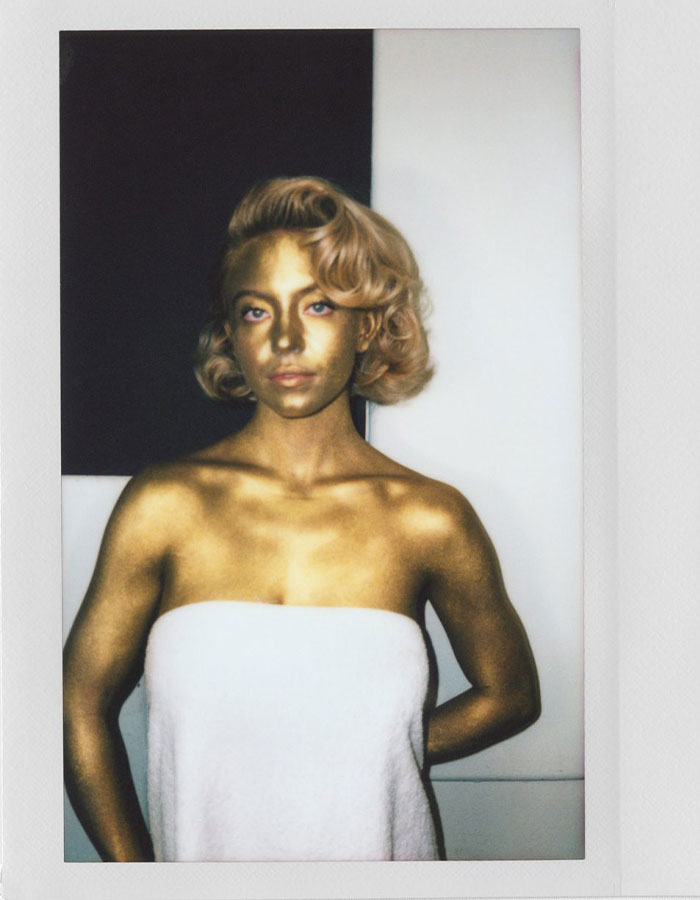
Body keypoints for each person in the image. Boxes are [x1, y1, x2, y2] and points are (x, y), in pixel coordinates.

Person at [63, 176, 540, 863]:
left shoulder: (429, 519)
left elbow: (511, 694)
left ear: (365, 325)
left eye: (318, 305)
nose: (286, 339)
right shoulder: (165, 505)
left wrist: (381, 747)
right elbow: (78, 703)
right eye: (256, 312)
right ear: (230, 335)